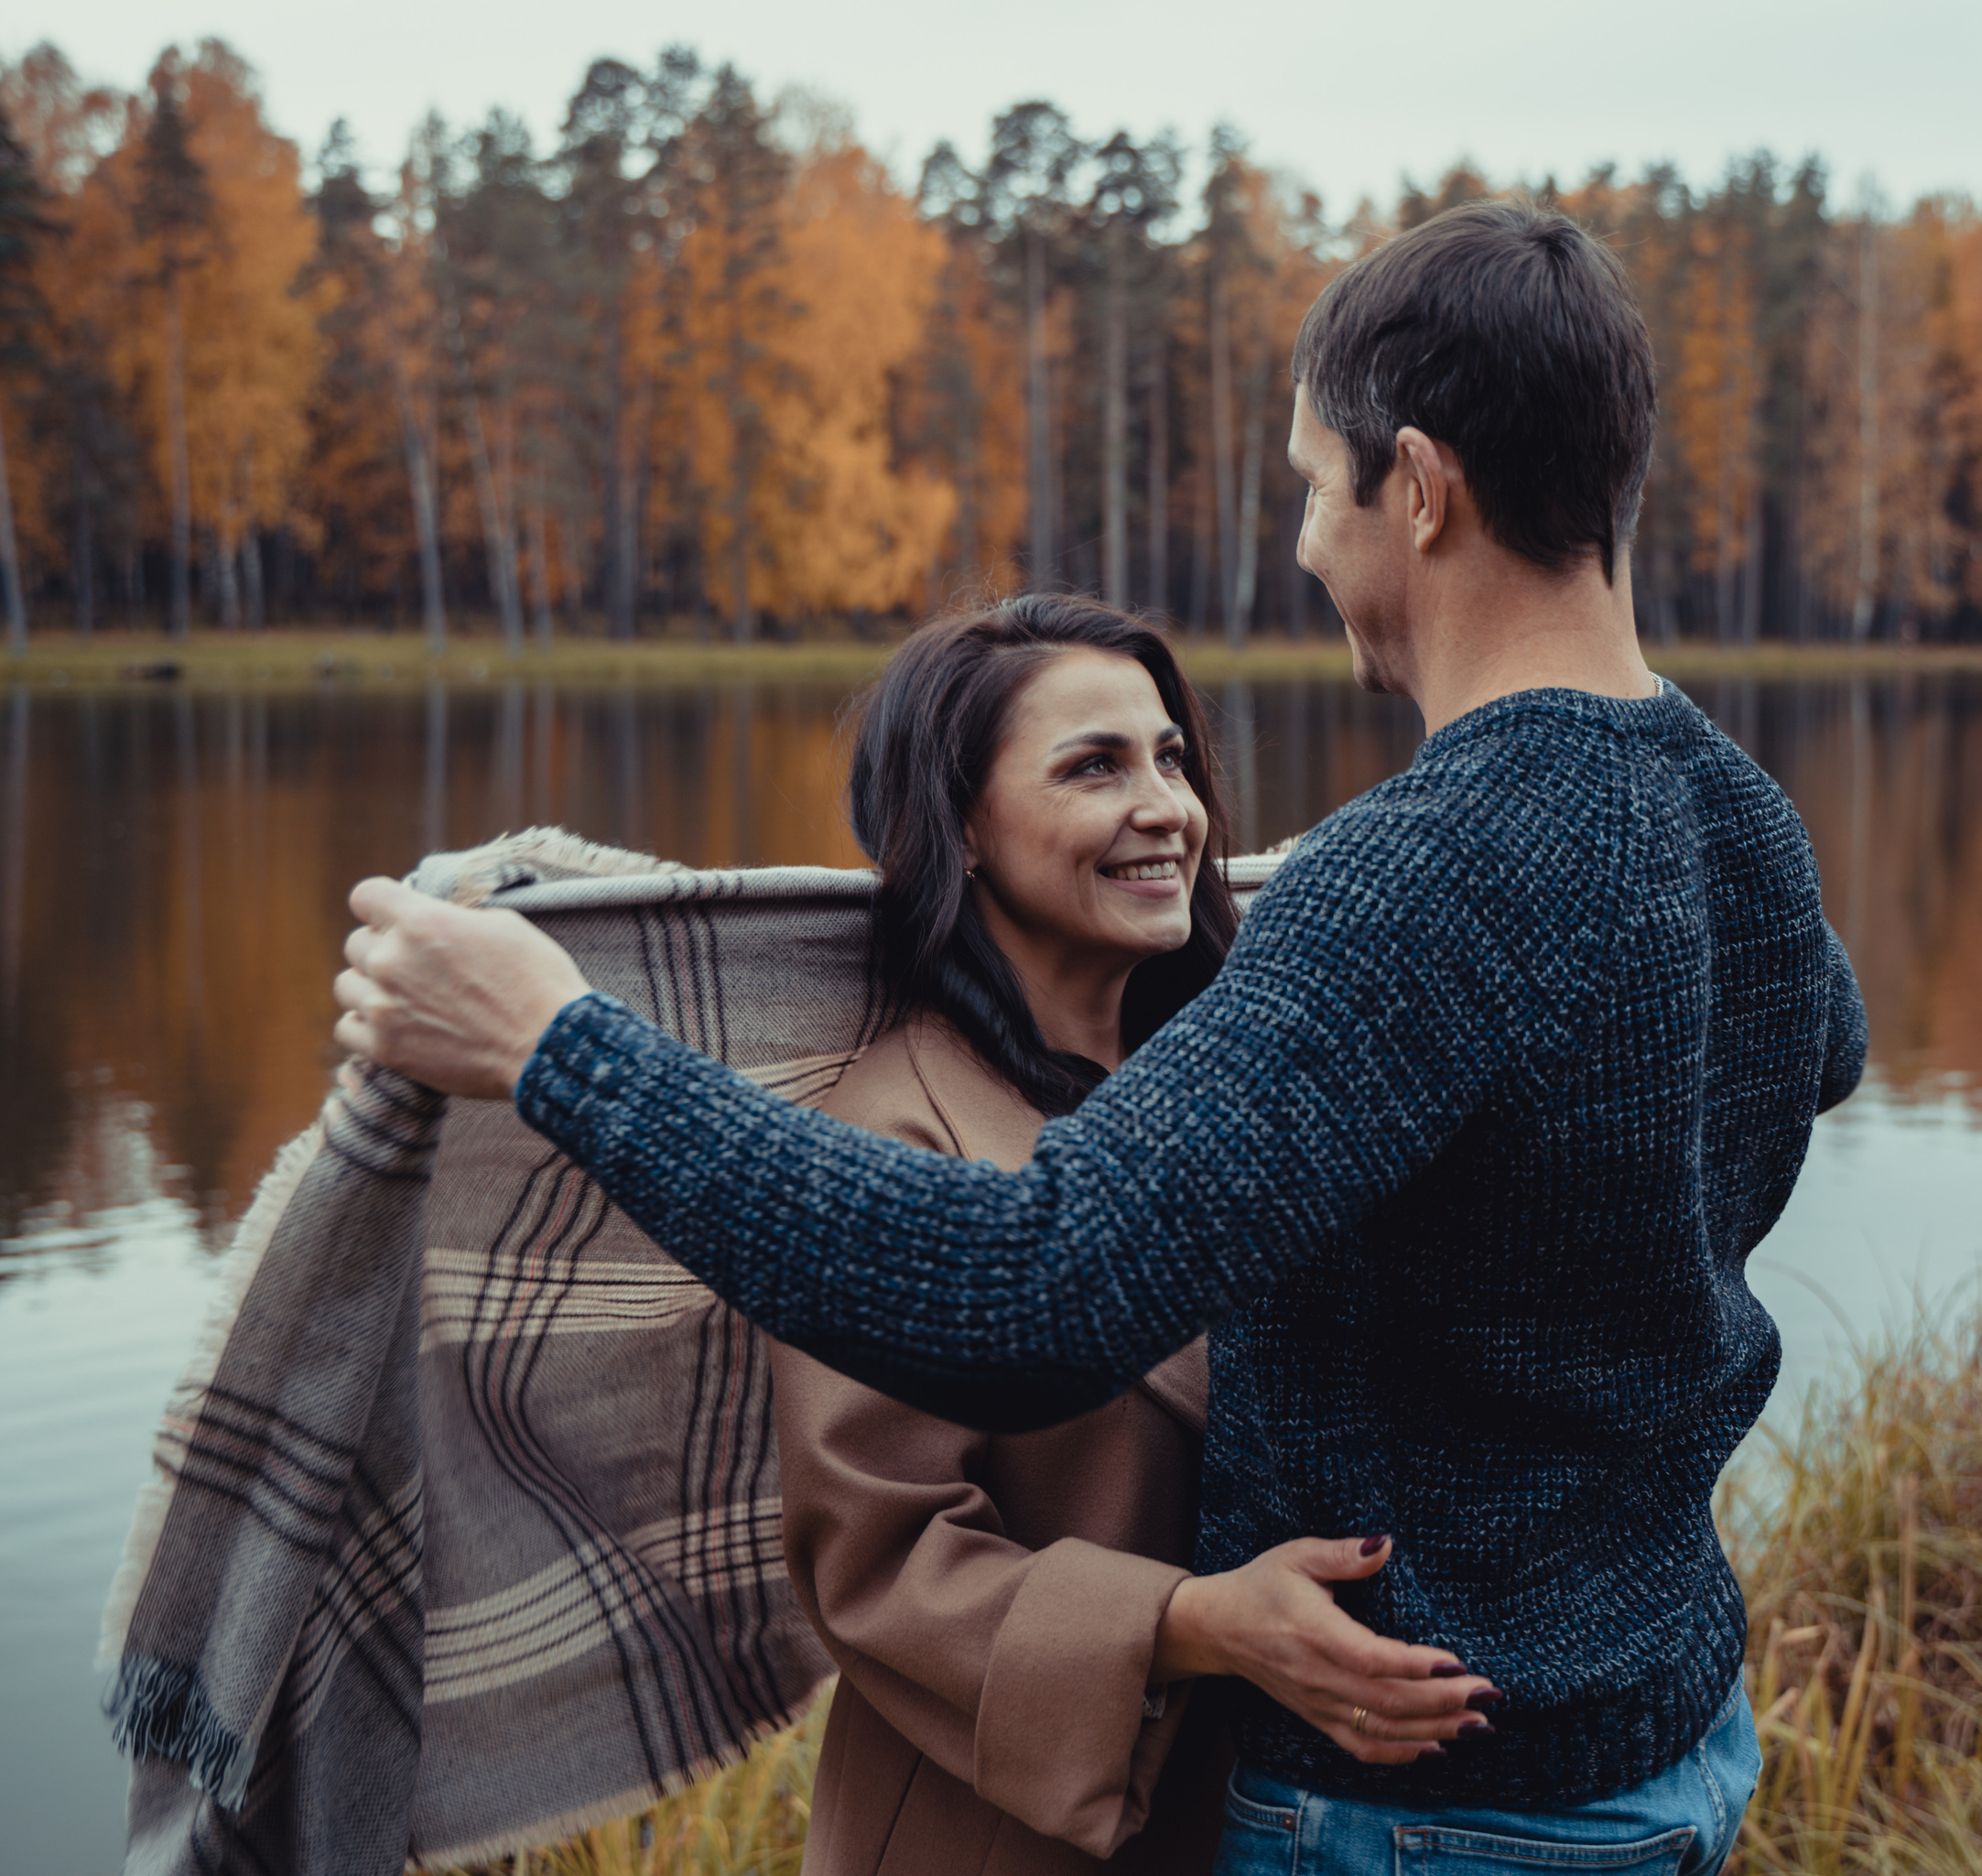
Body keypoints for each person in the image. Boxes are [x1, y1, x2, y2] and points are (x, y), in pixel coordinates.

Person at [335, 199, 1867, 1875]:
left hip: (1441, 1809)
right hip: (1670, 1740)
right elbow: (1825, 1044)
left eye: (1310, 484)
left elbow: (1032, 1290)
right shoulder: (1737, 816)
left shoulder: (1426, 869)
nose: (1304, 542)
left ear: (1418, 488)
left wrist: (564, 1047)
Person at [764, 598, 1489, 1876]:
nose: (1169, 806)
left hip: (1274, 1807)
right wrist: (1194, 1621)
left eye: (1171, 758)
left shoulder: (1249, 1071)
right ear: (963, 827)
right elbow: (878, 1558)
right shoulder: (897, 1137)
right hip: (990, 1830)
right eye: (1095, 766)